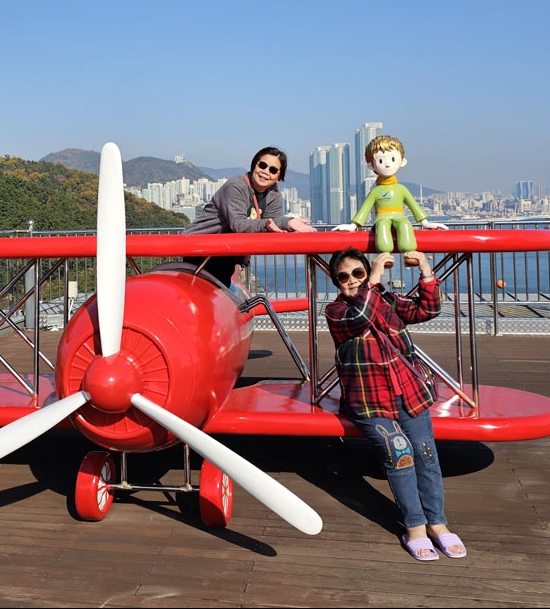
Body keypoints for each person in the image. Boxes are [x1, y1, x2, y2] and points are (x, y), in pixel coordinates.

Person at [324, 246, 467, 561]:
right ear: (336, 282)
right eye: (343, 276)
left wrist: (426, 271)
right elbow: (360, 317)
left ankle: (437, 522)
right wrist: (372, 280)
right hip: (368, 402)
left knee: (426, 453)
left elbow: (427, 310)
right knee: (399, 451)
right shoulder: (336, 312)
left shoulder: (387, 300)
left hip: (408, 391)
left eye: (357, 273)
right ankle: (415, 526)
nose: (351, 280)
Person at [182, 146, 316, 288]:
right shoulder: (236, 186)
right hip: (201, 250)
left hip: (226, 253)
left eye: (273, 170)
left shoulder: (274, 193)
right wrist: (267, 225)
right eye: (262, 165)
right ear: (254, 165)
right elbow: (238, 224)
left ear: (279, 176)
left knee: (219, 298)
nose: (265, 172)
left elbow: (273, 221)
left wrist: (289, 223)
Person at [334, 135, 447, 265]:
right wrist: (353, 225)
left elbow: (413, 205)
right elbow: (365, 209)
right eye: (381, 161)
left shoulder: (401, 189)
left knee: (405, 224)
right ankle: (384, 255)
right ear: (371, 165)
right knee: (382, 226)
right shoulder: (375, 191)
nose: (387, 164)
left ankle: (409, 253)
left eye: (392, 159)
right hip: (382, 218)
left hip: (400, 216)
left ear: (402, 161)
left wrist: (425, 223)